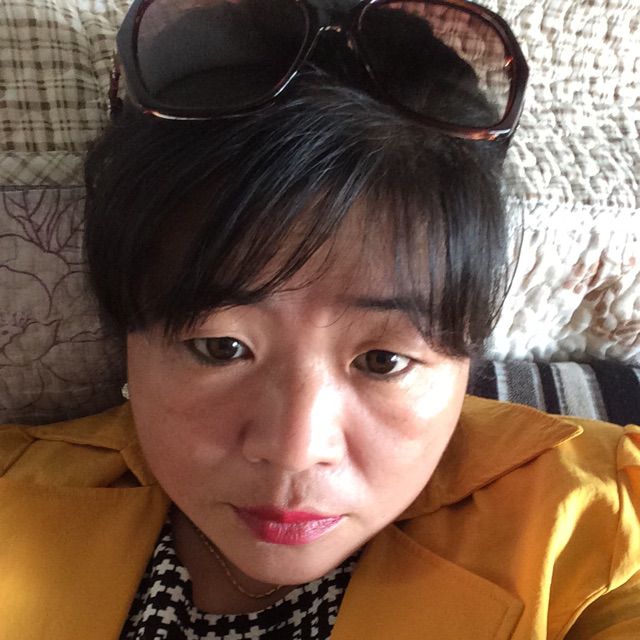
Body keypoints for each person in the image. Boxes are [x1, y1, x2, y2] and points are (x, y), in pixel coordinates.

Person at [0, 1, 638, 638]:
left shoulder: (601, 522)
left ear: (466, 358)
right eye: (221, 347)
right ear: (128, 333)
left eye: (383, 360)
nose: (295, 450)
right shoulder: (13, 491)